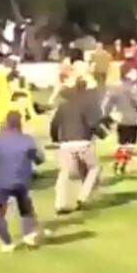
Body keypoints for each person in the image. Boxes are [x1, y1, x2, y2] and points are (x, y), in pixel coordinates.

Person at [0, 111, 45, 252]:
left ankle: (7, 242)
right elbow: (39, 159)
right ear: (20, 123)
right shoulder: (27, 140)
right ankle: (28, 233)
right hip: (21, 181)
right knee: (25, 208)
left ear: (7, 123)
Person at [50, 80, 105, 215]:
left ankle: (59, 203)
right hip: (83, 142)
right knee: (94, 168)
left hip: (66, 143)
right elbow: (92, 123)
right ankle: (83, 196)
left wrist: (55, 139)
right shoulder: (86, 104)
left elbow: (54, 124)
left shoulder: (63, 105)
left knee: (65, 173)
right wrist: (102, 134)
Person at [103, 70, 137, 175]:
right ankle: (123, 166)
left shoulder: (116, 90)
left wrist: (108, 116)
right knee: (130, 145)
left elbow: (108, 105)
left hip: (121, 119)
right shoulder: (134, 90)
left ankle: (117, 163)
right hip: (133, 119)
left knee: (121, 144)